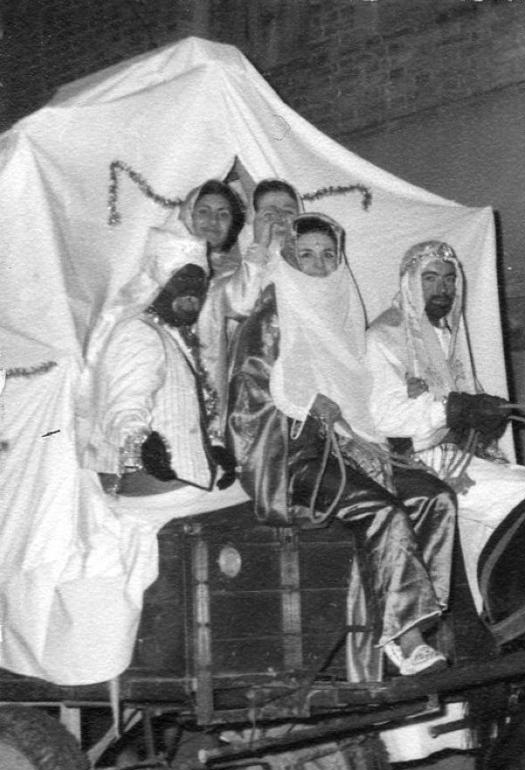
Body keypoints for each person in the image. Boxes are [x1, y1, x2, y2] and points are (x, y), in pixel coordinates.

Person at [227, 213, 458, 675]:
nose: (318, 266)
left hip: (354, 447)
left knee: (437, 498)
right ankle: (406, 636)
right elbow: (246, 396)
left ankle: (418, 622)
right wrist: (309, 403)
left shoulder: (346, 313)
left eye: (328, 255)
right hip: (296, 457)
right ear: (289, 257)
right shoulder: (271, 313)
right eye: (306, 255)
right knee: (384, 511)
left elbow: (363, 395)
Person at [367, 240, 525, 604]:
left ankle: (502, 618)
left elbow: (463, 400)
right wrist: (453, 409)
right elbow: (386, 419)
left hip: (459, 456)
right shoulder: (383, 337)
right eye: (430, 278)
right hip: (415, 464)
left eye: (449, 279)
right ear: (408, 282)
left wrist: (487, 415)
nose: (442, 288)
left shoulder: (450, 335)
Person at [78, 224, 242, 507]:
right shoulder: (140, 333)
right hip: (157, 489)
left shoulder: (173, 336)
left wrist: (212, 447)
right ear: (158, 284)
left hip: (183, 482)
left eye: (199, 283)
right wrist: (141, 443)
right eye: (182, 280)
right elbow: (125, 406)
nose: (193, 292)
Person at [197, 178, 302, 439]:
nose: (279, 218)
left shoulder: (314, 265)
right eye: (269, 212)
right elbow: (239, 303)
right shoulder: (235, 269)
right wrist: (260, 245)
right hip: (253, 398)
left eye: (288, 211)